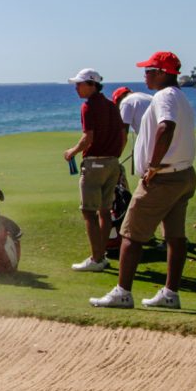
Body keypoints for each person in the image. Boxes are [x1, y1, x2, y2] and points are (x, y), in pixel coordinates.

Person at [91, 51, 196, 310]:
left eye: (149, 71)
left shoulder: (164, 96)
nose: (145, 75)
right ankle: (170, 294)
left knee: (130, 234)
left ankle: (123, 293)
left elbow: (166, 127)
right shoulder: (180, 96)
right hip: (183, 174)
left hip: (163, 178)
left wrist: (154, 165)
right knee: (175, 237)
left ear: (162, 73)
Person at [63, 68, 126, 272]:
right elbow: (122, 134)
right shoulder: (111, 105)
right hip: (112, 163)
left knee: (88, 212)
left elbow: (87, 138)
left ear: (91, 85)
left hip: (95, 165)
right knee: (104, 210)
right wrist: (115, 155)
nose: (76, 88)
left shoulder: (88, 106)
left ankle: (96, 258)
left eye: (79, 84)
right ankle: (102, 255)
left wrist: (72, 152)